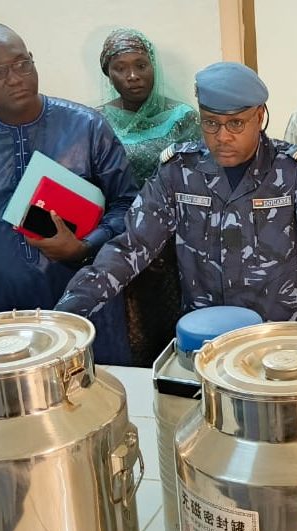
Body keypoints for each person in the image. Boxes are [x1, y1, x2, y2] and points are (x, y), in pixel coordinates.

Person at [55, 62, 297, 360]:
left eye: (236, 123)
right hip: (207, 342)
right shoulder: (180, 173)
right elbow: (130, 247)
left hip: (280, 343)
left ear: (260, 116)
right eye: (211, 122)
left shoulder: (293, 171)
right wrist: (68, 315)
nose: (222, 136)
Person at [0, 22, 137, 364]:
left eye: (21, 64)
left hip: (89, 300)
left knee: (96, 400)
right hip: (8, 313)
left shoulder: (87, 126)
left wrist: (83, 247)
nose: (15, 78)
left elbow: (129, 206)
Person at [98, 28, 200, 366]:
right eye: (120, 67)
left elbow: (200, 184)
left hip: (178, 246)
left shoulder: (183, 118)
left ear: (154, 67)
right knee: (132, 338)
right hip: (122, 241)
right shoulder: (96, 122)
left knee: (182, 339)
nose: (132, 76)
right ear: (107, 73)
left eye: (141, 65)